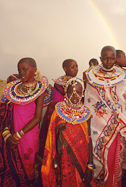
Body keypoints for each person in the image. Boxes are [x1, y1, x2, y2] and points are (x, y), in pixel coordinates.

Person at [84, 46, 126, 187]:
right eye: (105, 57)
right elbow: (90, 102)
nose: (108, 61)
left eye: (111, 58)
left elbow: (125, 100)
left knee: (115, 160)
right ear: (100, 58)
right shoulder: (91, 77)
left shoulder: (124, 77)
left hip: (118, 127)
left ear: (115, 59)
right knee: (101, 161)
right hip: (98, 127)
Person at [1, 57, 48, 186]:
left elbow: (37, 117)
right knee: (13, 168)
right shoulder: (13, 90)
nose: (21, 73)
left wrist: (17, 135)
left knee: (28, 168)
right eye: (19, 70)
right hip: (12, 136)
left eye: (25, 69)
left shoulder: (39, 90)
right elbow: (7, 113)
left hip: (28, 136)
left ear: (35, 70)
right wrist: (6, 135)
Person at [41, 77, 96, 187]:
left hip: (83, 158)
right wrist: (55, 161)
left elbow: (89, 139)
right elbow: (52, 139)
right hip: (64, 160)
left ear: (83, 93)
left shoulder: (86, 113)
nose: (74, 95)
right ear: (66, 93)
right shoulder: (58, 113)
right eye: (71, 91)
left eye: (78, 92)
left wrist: (90, 165)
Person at [38, 59, 78, 158]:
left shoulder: (76, 82)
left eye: (77, 66)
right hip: (60, 113)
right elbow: (59, 100)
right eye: (73, 67)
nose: (76, 69)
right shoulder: (60, 83)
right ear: (65, 69)